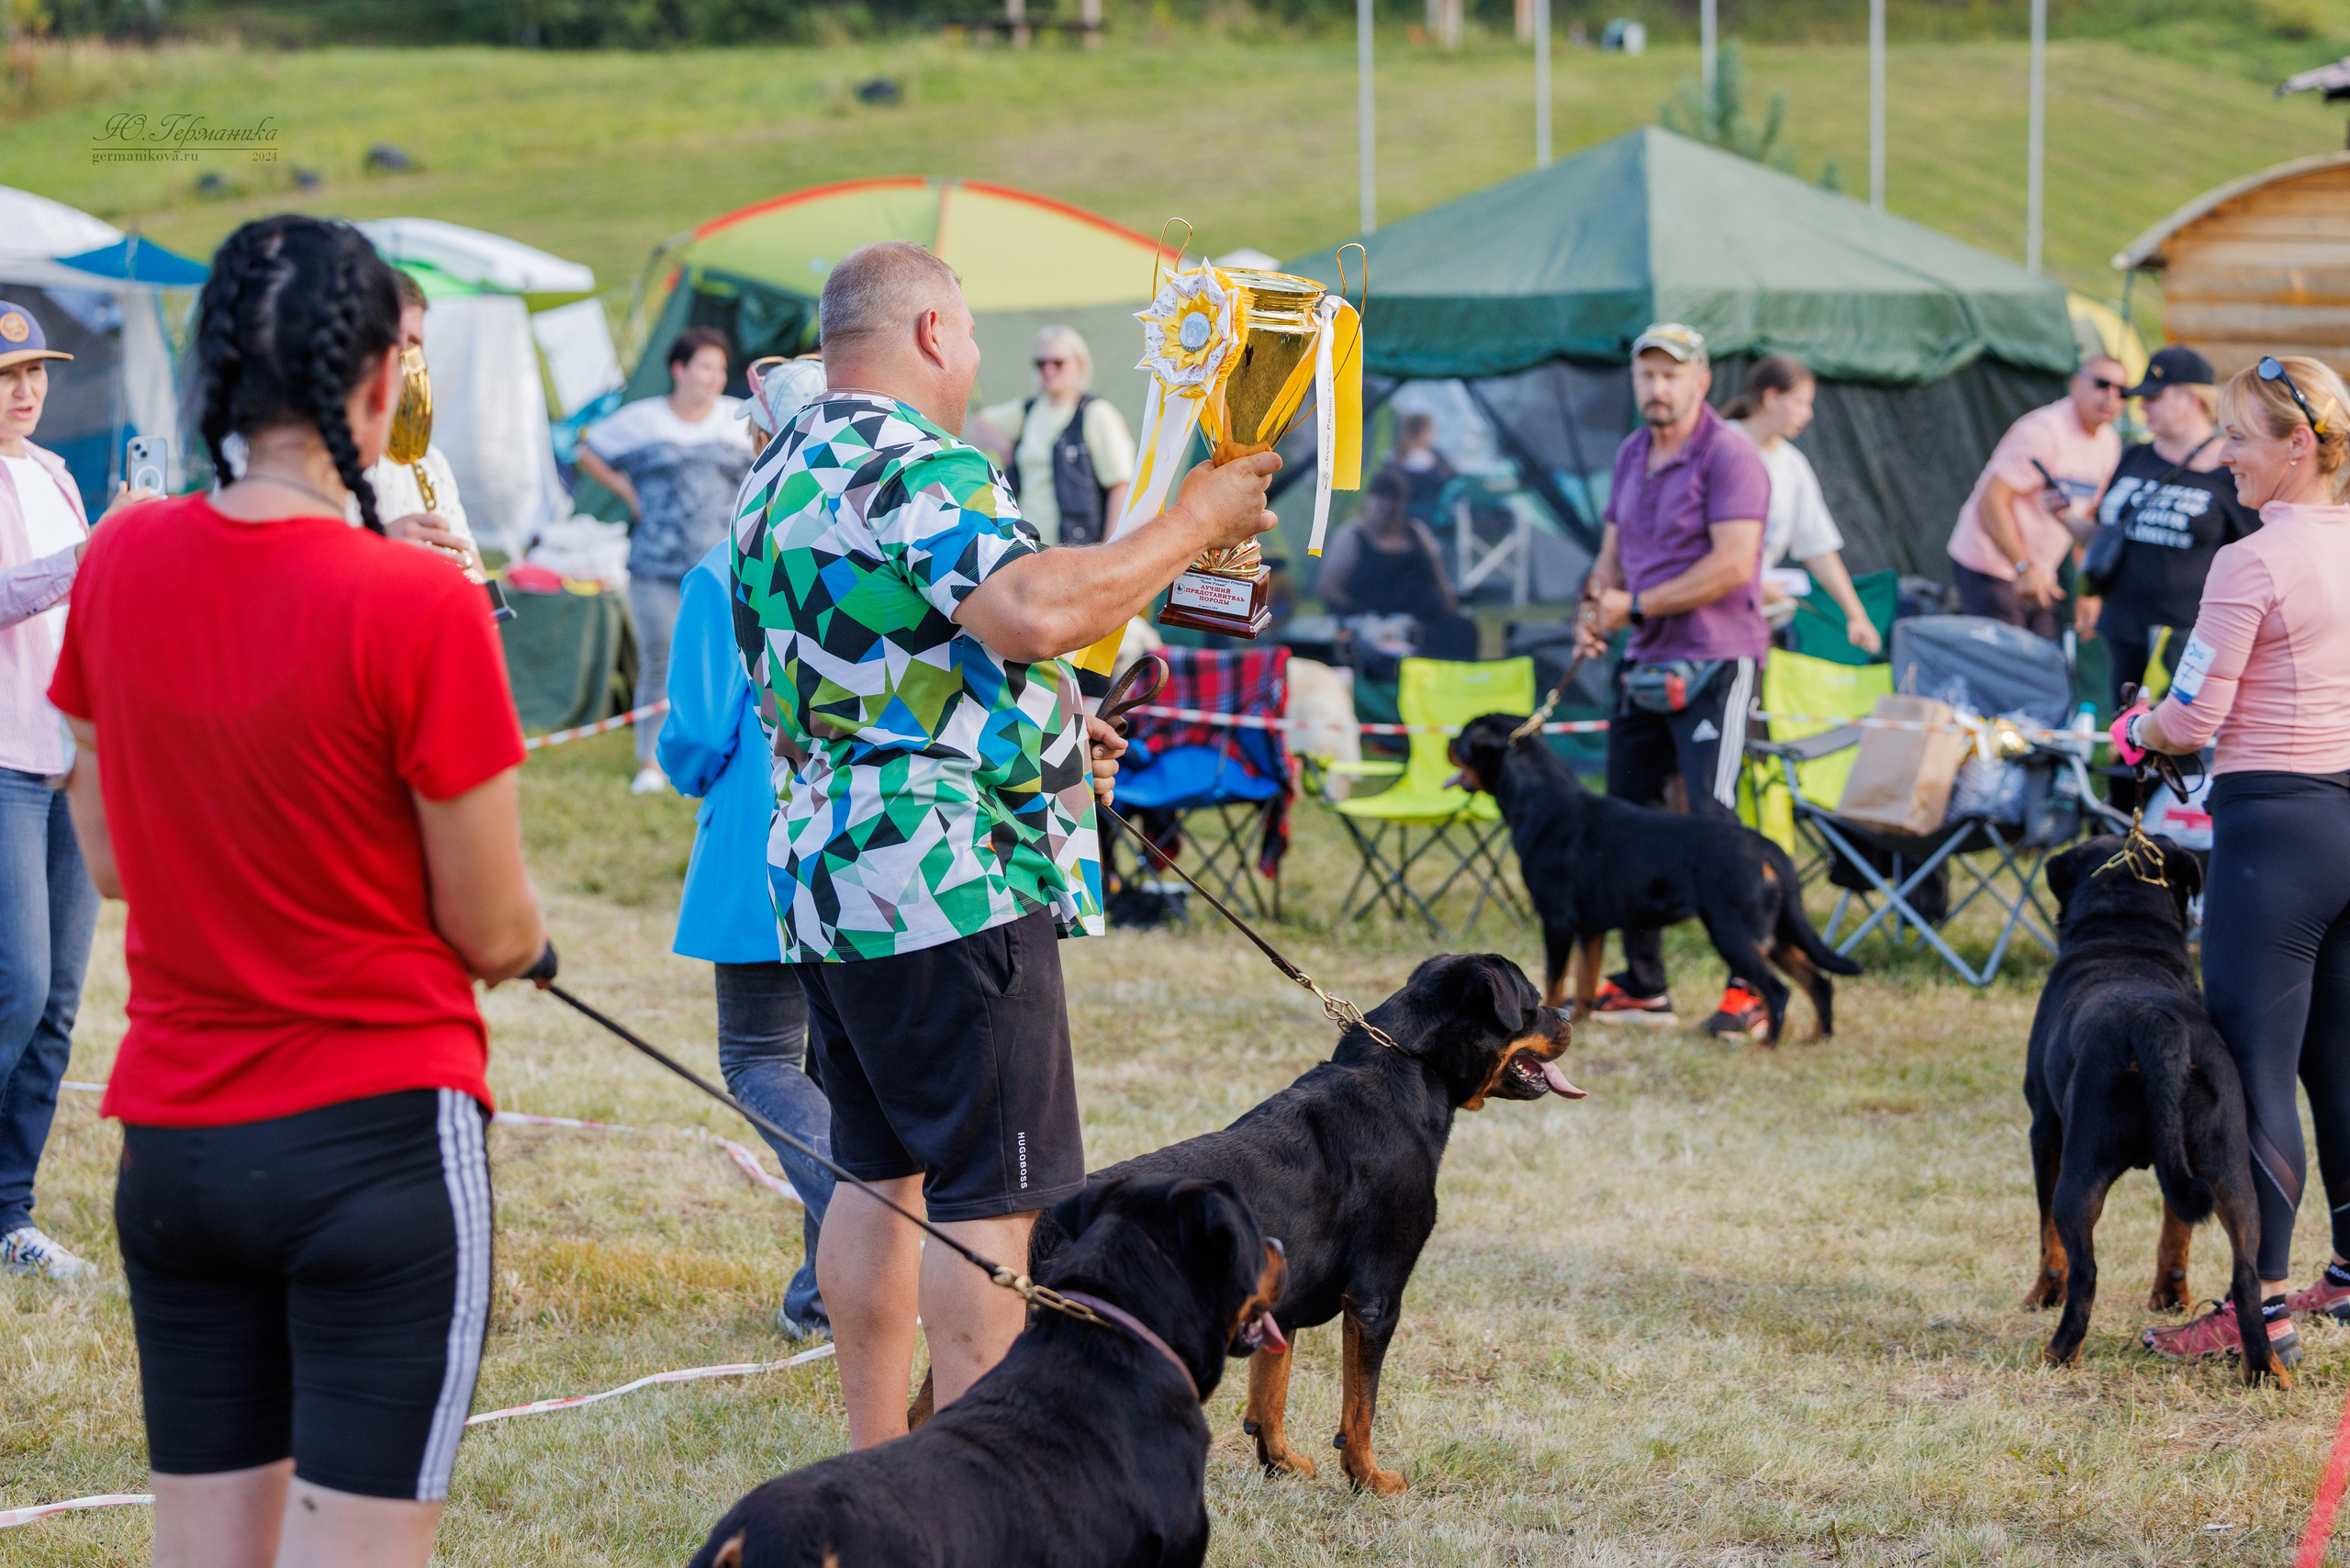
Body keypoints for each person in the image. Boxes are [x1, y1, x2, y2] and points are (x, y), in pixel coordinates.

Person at [47, 216, 548, 1567]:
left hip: (177, 1146)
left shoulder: (120, 560)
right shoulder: (422, 602)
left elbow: (114, 861)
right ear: (383, 381)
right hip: (373, 1139)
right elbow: (493, 928)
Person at [731, 240, 1277, 1450]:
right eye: (972, 333)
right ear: (931, 331)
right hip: (949, 879)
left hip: (831, 875)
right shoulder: (919, 461)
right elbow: (1033, 608)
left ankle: (880, 1463)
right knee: (992, 1200)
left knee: (878, 1178)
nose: (976, 357)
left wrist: (1052, 735)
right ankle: (974, 1490)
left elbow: (877, 665)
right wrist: (1195, 520)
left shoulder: (779, 471)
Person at [2121, 355, 2350, 1372]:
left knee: (2253, 1073)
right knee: (2339, 1059)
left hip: (2277, 832)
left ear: (2300, 446)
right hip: (2343, 818)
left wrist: (2136, 728)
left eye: (2239, 438)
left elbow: (2191, 718)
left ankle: (2262, 1308)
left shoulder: (2251, 561)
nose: (2222, 456)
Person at [661, 353, 834, 1341]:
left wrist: (692, 775)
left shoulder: (726, 564)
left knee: (761, 1059)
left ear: (763, 442)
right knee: (834, 1072)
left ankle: (864, 1223)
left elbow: (695, 728)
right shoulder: (862, 544)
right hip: (863, 840)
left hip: (761, 833)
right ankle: (826, 1293)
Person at [0, 298, 152, 1282]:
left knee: (57, 1003)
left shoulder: (56, 475)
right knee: (14, 987)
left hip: (71, 760)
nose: (25, 391)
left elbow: (82, 602)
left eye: (35, 373)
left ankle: (10, 1214)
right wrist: (88, 554)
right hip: (4, 760)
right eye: (6, 377)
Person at [1573, 323, 1775, 1041]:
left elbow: (1733, 564)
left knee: (1715, 825)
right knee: (1625, 823)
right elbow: (1612, 554)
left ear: (1702, 381)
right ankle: (1645, 983)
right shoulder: (1632, 452)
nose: (1657, 388)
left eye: (1671, 375)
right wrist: (1595, 608)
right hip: (1642, 662)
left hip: (1718, 661)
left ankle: (1751, 987)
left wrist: (1635, 606)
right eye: (1647, 375)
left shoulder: (1732, 455)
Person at [577, 325, 753, 795]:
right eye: (705, 367)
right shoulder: (642, 419)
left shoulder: (737, 417)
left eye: (720, 369)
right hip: (655, 565)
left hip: (721, 568)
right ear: (679, 369)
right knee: (660, 659)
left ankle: (720, 753)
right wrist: (629, 493)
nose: (714, 378)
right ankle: (650, 763)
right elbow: (588, 449)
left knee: (728, 658)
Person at [2076, 345, 2259, 714]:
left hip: (2187, 635)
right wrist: (2063, 517)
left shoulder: (2229, 469)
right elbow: (2105, 533)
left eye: (2154, 398)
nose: (2142, 407)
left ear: (2191, 400)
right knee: (2123, 727)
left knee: (2179, 730)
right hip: (2123, 624)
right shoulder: (2134, 455)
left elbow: (2253, 554)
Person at [1945, 354, 2125, 639]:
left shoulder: (2109, 443)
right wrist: (2023, 567)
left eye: (2123, 391)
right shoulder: (2044, 431)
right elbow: (1991, 501)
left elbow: (2086, 523)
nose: (2111, 396)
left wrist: (2087, 592)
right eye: (2102, 384)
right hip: (1992, 567)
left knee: (2043, 659)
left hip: (2040, 576)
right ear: (2075, 384)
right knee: (2006, 662)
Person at [1726, 354, 1882, 656]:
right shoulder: (1718, 444)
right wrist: (1752, 584)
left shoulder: (1793, 465)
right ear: (1771, 397)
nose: (1807, 414)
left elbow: (1818, 547)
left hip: (1749, 626)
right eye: (1799, 402)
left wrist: (1856, 616)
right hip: (1702, 621)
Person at [357, 267, 485, 579]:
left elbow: (475, 574)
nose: (403, 355)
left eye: (413, 343)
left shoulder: (430, 465)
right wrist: (380, 545)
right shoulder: (309, 457)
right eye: (392, 337)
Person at [973, 324, 1136, 546]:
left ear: (1079, 365)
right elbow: (977, 424)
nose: (1048, 370)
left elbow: (1120, 485)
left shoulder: (1096, 413)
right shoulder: (1028, 410)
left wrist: (1110, 548)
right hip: (1028, 546)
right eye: (1041, 363)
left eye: (1058, 363)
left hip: (1078, 550)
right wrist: (1006, 447)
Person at [1315, 467, 1479, 659]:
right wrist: (1363, 616)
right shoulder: (1351, 537)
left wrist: (1452, 609)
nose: (1387, 506)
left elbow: (1440, 579)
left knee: (1463, 631)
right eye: (1381, 497)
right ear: (1368, 500)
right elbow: (1328, 589)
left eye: (1393, 498)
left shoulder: (1417, 533)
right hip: (1374, 628)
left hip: (1422, 624)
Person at [1389, 409, 1456, 526]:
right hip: (1429, 521)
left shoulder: (1393, 461)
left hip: (1399, 522)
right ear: (1423, 431)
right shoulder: (1432, 460)